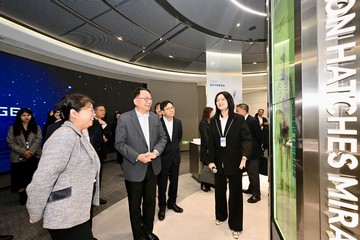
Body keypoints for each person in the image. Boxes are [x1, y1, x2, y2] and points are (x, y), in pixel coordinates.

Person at [26, 93, 101, 240]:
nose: (94, 114)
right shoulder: (64, 136)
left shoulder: (76, 134)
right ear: (74, 113)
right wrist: (35, 210)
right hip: (65, 214)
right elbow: (43, 178)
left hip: (76, 211)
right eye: (90, 110)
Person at [115, 87, 167, 240]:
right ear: (135, 101)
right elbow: (119, 143)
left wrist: (156, 152)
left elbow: (163, 138)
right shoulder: (124, 118)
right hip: (134, 168)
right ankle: (138, 235)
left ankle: (148, 231)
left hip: (153, 167)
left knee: (150, 202)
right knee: (135, 205)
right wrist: (138, 156)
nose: (149, 101)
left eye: (150, 98)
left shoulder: (155, 118)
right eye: (145, 98)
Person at [208, 91, 252, 239]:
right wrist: (210, 160)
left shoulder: (238, 119)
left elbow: (246, 139)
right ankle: (221, 215)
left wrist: (245, 156)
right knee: (219, 191)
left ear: (229, 101)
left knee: (235, 195)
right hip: (219, 162)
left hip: (236, 162)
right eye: (217, 100)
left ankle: (236, 225)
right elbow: (211, 143)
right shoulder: (213, 121)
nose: (220, 102)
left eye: (222, 99)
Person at [6, 108, 42, 205]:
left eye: (28, 115)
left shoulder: (36, 127)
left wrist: (30, 151)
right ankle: (22, 196)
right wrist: (23, 151)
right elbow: (10, 143)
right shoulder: (12, 128)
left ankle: (32, 196)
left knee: (32, 178)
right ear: (19, 116)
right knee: (19, 179)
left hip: (33, 157)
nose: (26, 117)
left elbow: (38, 140)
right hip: (18, 157)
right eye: (23, 115)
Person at [157, 100, 183, 221]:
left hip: (175, 157)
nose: (171, 110)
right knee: (162, 184)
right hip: (162, 158)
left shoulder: (178, 122)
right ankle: (161, 207)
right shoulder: (157, 123)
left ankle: (171, 203)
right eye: (168, 108)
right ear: (162, 111)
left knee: (174, 182)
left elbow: (179, 138)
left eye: (172, 107)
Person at [236, 104, 264, 203]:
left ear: (244, 110)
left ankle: (256, 195)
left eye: (238, 111)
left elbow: (260, 136)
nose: (236, 112)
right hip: (246, 152)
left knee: (253, 174)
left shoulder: (252, 121)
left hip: (253, 153)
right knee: (249, 172)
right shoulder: (243, 121)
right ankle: (251, 188)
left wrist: (258, 148)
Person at [198, 107, 214, 192]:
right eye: (212, 112)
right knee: (206, 167)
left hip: (211, 149)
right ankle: (204, 184)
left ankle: (209, 183)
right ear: (208, 113)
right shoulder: (202, 123)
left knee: (211, 167)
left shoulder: (211, 122)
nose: (213, 114)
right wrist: (210, 147)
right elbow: (205, 138)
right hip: (206, 149)